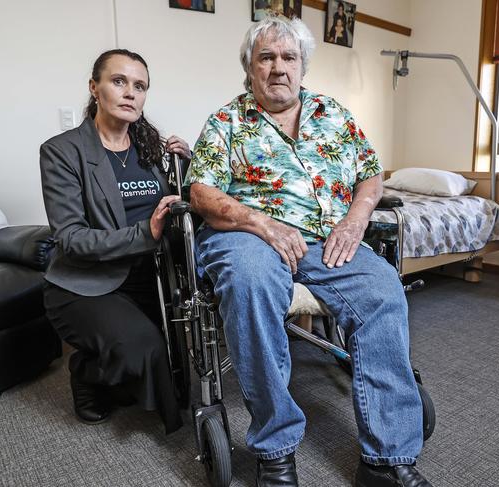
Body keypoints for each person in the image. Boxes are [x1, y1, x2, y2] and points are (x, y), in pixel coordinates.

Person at [187, 16, 433, 487]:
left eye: (288, 57)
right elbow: (201, 193)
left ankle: (385, 461)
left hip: (329, 237)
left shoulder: (334, 113)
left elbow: (371, 175)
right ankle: (275, 449)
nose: (278, 67)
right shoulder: (227, 121)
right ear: (250, 67)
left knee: (383, 291)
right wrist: (263, 223)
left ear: (302, 67)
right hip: (247, 234)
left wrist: (355, 219)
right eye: (267, 57)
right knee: (251, 283)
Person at [39, 49, 191, 433]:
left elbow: (176, 206)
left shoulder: (151, 150)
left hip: (150, 277)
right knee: (146, 349)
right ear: (95, 88)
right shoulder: (62, 151)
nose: (130, 93)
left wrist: (186, 165)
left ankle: (123, 369)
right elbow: (71, 239)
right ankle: (86, 373)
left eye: (139, 86)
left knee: (179, 357)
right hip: (89, 284)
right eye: (118, 81)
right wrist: (146, 233)